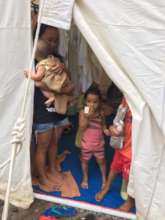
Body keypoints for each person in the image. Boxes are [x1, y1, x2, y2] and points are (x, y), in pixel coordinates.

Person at [31, 26, 74, 192]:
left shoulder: (55, 58)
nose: (53, 44)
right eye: (49, 40)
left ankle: (53, 170)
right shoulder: (33, 60)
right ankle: (42, 177)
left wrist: (64, 68)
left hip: (58, 107)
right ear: (38, 38)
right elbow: (39, 83)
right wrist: (62, 90)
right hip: (42, 109)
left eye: (56, 40)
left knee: (55, 142)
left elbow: (68, 79)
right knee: (43, 145)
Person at [95, 97, 134, 212]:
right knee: (114, 168)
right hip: (122, 144)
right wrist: (114, 128)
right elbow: (119, 117)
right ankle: (107, 187)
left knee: (130, 177)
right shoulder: (126, 99)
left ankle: (130, 201)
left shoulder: (143, 103)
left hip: (133, 149)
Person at [79, 85, 109, 189]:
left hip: (99, 144)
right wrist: (88, 116)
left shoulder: (101, 113)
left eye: (95, 102)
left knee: (101, 161)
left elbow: (104, 124)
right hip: (86, 144)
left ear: (99, 102)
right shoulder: (83, 112)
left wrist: (106, 130)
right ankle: (85, 178)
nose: (91, 104)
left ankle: (104, 180)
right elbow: (82, 127)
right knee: (84, 161)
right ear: (85, 102)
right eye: (89, 101)